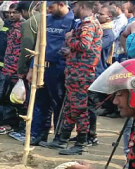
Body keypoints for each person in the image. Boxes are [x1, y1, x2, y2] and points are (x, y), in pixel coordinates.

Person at [41, 1, 102, 155]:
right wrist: (70, 50)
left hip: (81, 74)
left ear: (82, 7)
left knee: (79, 109)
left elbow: (84, 45)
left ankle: (81, 143)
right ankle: (61, 140)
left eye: (74, 7)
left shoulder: (88, 24)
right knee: (69, 108)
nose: (72, 10)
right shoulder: (85, 23)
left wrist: (68, 38)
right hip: (75, 72)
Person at [31, 1, 74, 146]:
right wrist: (32, 68)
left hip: (59, 69)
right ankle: (39, 135)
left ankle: (58, 137)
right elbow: (36, 45)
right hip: (42, 67)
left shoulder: (73, 21)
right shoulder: (47, 20)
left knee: (59, 104)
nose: (48, 10)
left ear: (61, 4)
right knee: (41, 103)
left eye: (51, 7)